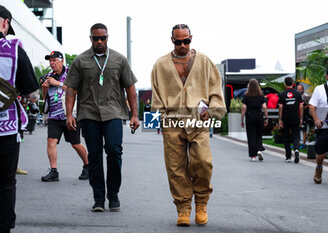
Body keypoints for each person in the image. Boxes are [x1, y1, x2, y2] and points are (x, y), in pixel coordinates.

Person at [151, 24, 226, 226]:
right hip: (172, 121)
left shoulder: (204, 62)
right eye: (178, 41)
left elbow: (216, 92)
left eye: (186, 41)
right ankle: (183, 207)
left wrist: (213, 111)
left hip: (198, 120)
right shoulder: (161, 64)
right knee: (175, 167)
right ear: (172, 40)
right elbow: (156, 97)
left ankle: (201, 201)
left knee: (203, 162)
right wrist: (158, 119)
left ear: (191, 38)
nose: (182, 45)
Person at [64, 23, 139, 212]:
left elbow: (130, 87)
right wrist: (69, 114)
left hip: (113, 112)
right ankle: (98, 198)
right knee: (95, 156)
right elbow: (71, 89)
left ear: (107, 37)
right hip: (88, 113)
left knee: (114, 151)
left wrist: (135, 115)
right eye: (95, 38)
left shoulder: (119, 60)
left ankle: (113, 194)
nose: (99, 41)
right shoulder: (80, 61)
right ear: (90, 38)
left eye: (102, 38)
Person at [0, 5, 39, 233]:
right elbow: (31, 93)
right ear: (5, 23)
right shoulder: (14, 49)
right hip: (5, 127)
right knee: (5, 182)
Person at [40, 51, 88, 182]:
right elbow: (45, 97)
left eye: (54, 60)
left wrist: (58, 83)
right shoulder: (48, 76)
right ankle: (54, 171)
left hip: (70, 115)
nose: (51, 63)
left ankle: (87, 165)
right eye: (50, 61)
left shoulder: (71, 73)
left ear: (61, 61)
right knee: (51, 141)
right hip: (54, 116)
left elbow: (76, 89)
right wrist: (44, 88)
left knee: (76, 144)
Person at [241, 79, 268, 161]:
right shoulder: (261, 95)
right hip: (259, 116)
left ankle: (253, 156)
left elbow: (244, 108)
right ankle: (259, 150)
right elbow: (264, 107)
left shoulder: (246, 96)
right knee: (259, 135)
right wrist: (266, 117)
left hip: (250, 117)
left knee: (251, 136)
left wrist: (242, 119)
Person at [278, 77, 303, 163]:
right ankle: (296, 149)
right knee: (296, 135)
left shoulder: (282, 94)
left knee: (286, 137)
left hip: (285, 118)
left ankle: (288, 156)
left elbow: (280, 107)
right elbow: (301, 106)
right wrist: (301, 118)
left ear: (284, 84)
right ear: (292, 83)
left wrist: (280, 119)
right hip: (295, 117)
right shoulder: (297, 94)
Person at [297, 84, 309, 149]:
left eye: (300, 89)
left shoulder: (305, 96)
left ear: (303, 89)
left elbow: (310, 104)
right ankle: (297, 143)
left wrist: (303, 108)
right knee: (297, 129)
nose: (299, 90)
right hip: (297, 115)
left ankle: (304, 144)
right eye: (298, 89)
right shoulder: (296, 96)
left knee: (304, 130)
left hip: (304, 115)